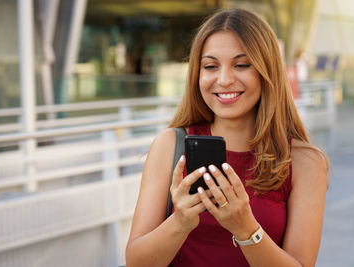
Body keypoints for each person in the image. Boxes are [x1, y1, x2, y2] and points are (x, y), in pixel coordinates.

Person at [126, 8, 328, 267]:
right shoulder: (169, 146)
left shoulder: (305, 162)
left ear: (267, 72)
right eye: (210, 66)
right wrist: (180, 223)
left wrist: (246, 229)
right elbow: (136, 262)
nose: (223, 79)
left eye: (241, 65)